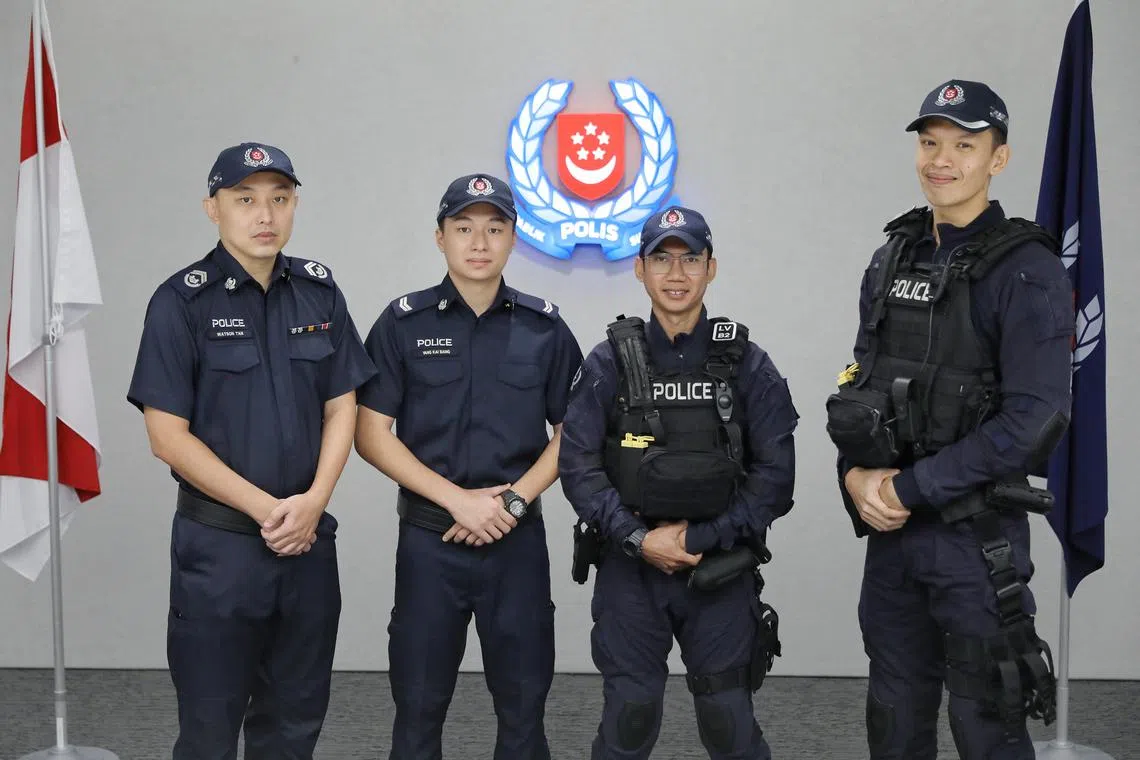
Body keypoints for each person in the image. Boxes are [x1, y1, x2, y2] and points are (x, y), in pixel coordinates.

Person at [825, 80, 1073, 759]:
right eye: (930, 142)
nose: (942, 159)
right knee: (895, 717)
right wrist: (853, 478)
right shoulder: (892, 258)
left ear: (998, 158)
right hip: (892, 544)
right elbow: (858, 385)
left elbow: (1034, 418)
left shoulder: (1028, 271)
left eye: (964, 145)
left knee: (986, 723)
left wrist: (905, 489)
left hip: (975, 543)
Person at [127, 142, 376, 759]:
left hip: (308, 545)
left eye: (279, 199)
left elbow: (342, 404)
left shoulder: (319, 292)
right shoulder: (180, 302)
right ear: (213, 208)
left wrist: (314, 502)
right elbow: (167, 437)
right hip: (221, 553)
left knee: (294, 725)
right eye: (245, 200)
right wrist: (272, 511)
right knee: (210, 731)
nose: (264, 215)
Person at [353, 173, 583, 760]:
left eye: (494, 228)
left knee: (525, 713)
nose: (478, 242)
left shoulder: (546, 328)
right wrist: (457, 501)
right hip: (432, 544)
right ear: (440, 238)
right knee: (418, 711)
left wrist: (511, 502)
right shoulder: (403, 324)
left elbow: (574, 433)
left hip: (517, 543)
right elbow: (370, 433)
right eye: (463, 228)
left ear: (513, 238)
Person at [559, 206, 797, 760]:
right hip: (629, 567)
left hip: (719, 569)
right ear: (639, 270)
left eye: (691, 258)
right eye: (661, 259)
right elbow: (579, 467)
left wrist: (696, 541)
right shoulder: (608, 362)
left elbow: (775, 481)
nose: (676, 273)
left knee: (727, 720)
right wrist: (639, 540)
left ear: (711, 268)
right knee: (631, 716)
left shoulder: (747, 364)